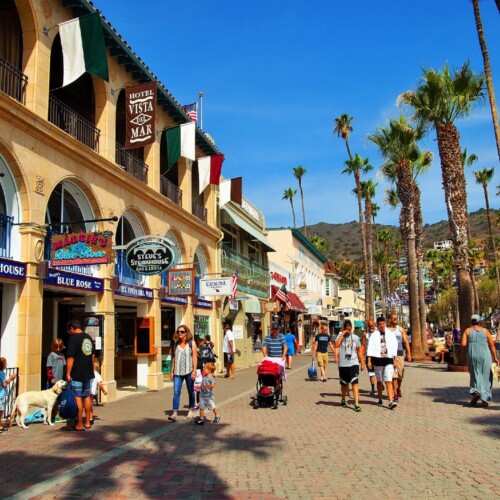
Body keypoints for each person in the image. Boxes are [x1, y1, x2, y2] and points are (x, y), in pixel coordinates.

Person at [461, 314, 499, 407]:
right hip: (485, 355)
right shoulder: (485, 331)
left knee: (474, 374)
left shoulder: (467, 331)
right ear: (479, 321)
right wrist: (496, 357)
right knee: (486, 376)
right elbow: (492, 345)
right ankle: (485, 400)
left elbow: (463, 344)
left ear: (471, 321)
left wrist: (472, 344)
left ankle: (476, 392)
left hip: (473, 355)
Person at [65, 319, 95, 431]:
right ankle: (88, 422)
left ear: (72, 328)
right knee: (87, 396)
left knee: (77, 397)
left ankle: (80, 423)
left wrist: (68, 373)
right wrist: (92, 369)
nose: (69, 332)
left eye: (69, 330)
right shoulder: (88, 337)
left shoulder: (73, 339)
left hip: (77, 372)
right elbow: (92, 356)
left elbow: (70, 357)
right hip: (88, 372)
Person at [366, 316, 398, 409]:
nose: (382, 326)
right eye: (380, 324)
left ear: (385, 323)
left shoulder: (390, 334)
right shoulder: (374, 335)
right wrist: (369, 360)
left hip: (388, 360)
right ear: (377, 325)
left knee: (388, 380)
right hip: (377, 360)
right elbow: (370, 348)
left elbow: (394, 346)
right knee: (379, 381)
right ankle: (380, 398)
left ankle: (391, 401)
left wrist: (395, 359)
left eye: (383, 323)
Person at [168, 325, 198, 421]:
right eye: (178, 332)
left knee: (190, 391)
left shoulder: (191, 343)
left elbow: (194, 357)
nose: (179, 333)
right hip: (177, 372)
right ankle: (175, 413)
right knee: (176, 392)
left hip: (189, 371)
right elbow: (174, 358)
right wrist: (171, 371)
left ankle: (191, 410)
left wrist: (194, 371)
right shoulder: (175, 344)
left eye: (182, 331)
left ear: (186, 333)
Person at [335, 319, 364, 412]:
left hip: (353, 363)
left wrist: (362, 362)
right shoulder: (340, 336)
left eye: (349, 329)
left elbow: (359, 350)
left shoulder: (355, 337)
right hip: (343, 364)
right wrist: (342, 334)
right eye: (346, 328)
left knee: (355, 383)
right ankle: (343, 398)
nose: (348, 331)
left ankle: (356, 403)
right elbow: (336, 345)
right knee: (344, 384)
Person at [387, 313, 412, 401]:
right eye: (394, 319)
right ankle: (394, 393)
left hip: (400, 353)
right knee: (394, 375)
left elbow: (405, 342)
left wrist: (409, 353)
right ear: (390, 319)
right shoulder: (386, 330)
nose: (396, 320)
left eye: (396, 319)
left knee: (400, 374)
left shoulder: (400, 329)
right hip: (390, 354)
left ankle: (398, 388)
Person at [46, 338, 66, 421]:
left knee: (58, 399)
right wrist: (51, 377)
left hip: (60, 381)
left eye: (60, 347)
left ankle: (56, 414)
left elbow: (64, 367)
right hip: (53, 381)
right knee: (50, 399)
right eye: (56, 347)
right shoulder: (51, 355)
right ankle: (49, 416)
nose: (58, 349)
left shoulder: (62, 355)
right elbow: (49, 367)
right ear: (53, 347)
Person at [0, 357, 16, 432]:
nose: (6, 365)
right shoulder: (2, 373)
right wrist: (10, 378)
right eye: (5, 363)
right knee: (1, 409)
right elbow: (4, 384)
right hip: (1, 394)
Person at [89, 360, 107, 425]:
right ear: (98, 368)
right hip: (92, 392)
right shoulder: (97, 375)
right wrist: (104, 391)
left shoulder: (88, 373)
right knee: (90, 406)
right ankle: (90, 419)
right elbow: (100, 384)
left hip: (86, 390)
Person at [362, 320, 377, 396]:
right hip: (369, 355)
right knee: (371, 373)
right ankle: (373, 388)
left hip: (378, 355)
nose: (371, 327)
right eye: (369, 326)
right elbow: (363, 345)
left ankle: (380, 384)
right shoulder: (365, 333)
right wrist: (361, 356)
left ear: (374, 324)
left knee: (379, 372)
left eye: (372, 326)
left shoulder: (378, 332)